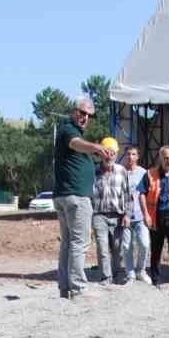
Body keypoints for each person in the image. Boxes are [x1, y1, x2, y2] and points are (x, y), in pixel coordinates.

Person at [51, 96, 115, 299]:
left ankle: (64, 287)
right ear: (74, 111)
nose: (86, 117)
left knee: (69, 243)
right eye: (82, 112)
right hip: (75, 197)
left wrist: (97, 155)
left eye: (89, 115)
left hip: (66, 196)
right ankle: (77, 287)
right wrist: (97, 147)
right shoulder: (68, 130)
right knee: (79, 243)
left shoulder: (73, 132)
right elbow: (76, 144)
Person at [139, 145, 169, 294]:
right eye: (166, 158)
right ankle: (155, 282)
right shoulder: (150, 174)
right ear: (160, 158)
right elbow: (141, 193)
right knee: (156, 251)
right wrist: (146, 214)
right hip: (156, 217)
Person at [90, 138, 129, 284]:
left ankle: (116, 274)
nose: (109, 156)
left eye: (112, 153)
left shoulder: (122, 171)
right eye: (106, 152)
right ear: (100, 154)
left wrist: (127, 214)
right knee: (102, 247)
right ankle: (106, 277)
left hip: (118, 215)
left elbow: (127, 194)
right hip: (98, 214)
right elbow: (88, 194)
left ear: (116, 154)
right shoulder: (93, 171)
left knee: (117, 247)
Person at [120, 145, 150, 285]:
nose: (130, 157)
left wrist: (147, 214)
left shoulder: (144, 173)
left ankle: (141, 270)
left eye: (133, 154)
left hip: (140, 216)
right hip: (124, 217)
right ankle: (130, 274)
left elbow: (148, 195)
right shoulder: (120, 172)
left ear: (138, 157)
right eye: (128, 154)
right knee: (126, 247)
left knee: (144, 244)